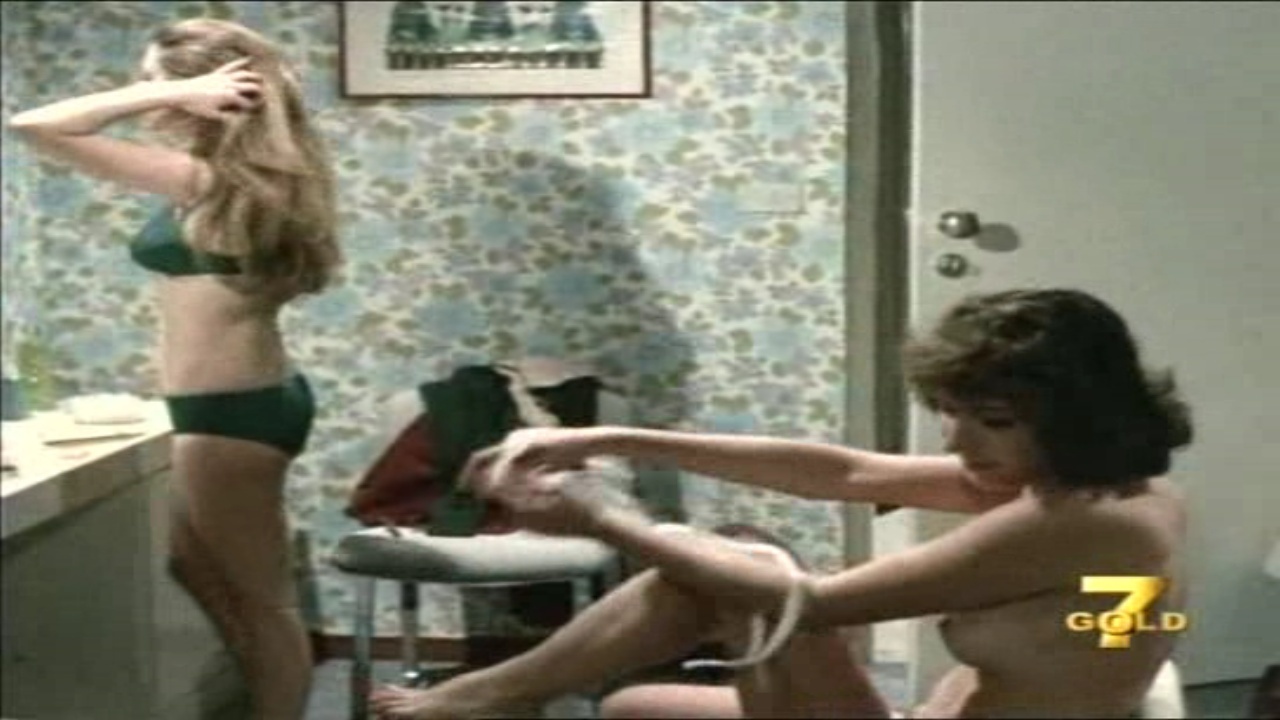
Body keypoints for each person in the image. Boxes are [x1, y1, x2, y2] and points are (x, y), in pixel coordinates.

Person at [369, 288, 1194, 719]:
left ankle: (486, 698)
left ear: (1076, 413)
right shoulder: (1098, 485)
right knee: (632, 705)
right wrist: (613, 439)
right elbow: (847, 473)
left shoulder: (1086, 524)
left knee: (740, 568)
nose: (958, 441)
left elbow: (810, 603)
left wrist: (602, 515)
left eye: (994, 421)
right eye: (953, 414)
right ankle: (499, 697)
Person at [9, 18, 341, 720]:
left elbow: (34, 125)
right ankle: (259, 699)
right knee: (196, 570)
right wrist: (176, 91)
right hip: (222, 407)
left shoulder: (209, 182)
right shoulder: (226, 181)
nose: (147, 94)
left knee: (263, 601)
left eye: (155, 80)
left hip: (232, 414)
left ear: (207, 92)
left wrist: (171, 91)